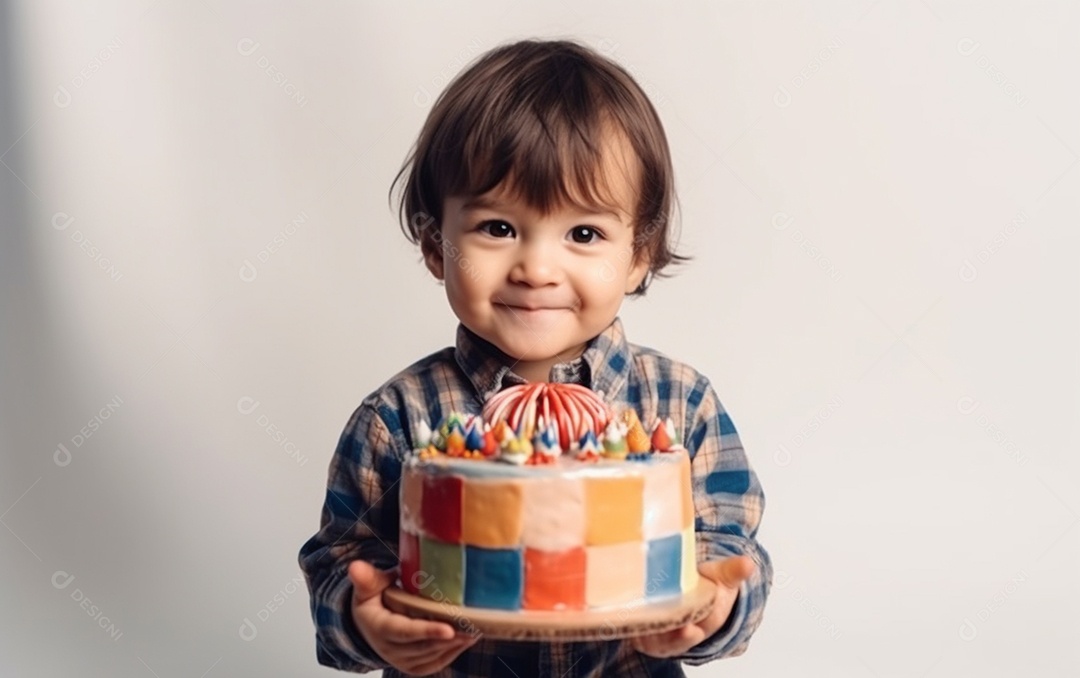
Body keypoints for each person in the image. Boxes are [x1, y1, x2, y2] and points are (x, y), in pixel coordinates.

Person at [299, 38, 771, 677]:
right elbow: (337, 567)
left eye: (584, 234)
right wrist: (367, 623)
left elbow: (731, 552)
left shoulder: (679, 405)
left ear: (639, 254)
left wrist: (713, 607)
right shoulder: (398, 417)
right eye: (498, 228)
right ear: (436, 245)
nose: (537, 269)